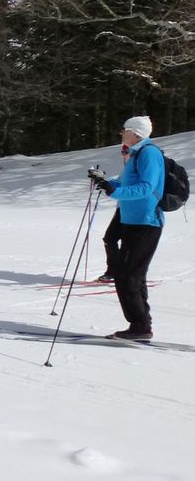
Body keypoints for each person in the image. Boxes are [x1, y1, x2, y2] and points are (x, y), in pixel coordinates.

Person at [88, 116, 164, 340]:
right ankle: (142, 324)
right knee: (133, 275)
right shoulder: (136, 153)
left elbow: (146, 188)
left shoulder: (149, 153)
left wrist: (114, 191)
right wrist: (106, 182)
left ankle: (140, 326)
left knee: (127, 275)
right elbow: (127, 183)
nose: (121, 134)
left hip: (146, 222)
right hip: (132, 221)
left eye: (125, 130)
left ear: (135, 133)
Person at [97, 143, 130, 283]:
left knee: (129, 244)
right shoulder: (127, 170)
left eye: (127, 152)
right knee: (109, 238)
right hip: (122, 209)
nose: (124, 155)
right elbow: (119, 183)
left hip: (137, 211)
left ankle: (128, 274)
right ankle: (113, 271)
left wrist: (110, 186)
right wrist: (103, 181)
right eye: (123, 153)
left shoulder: (141, 168)